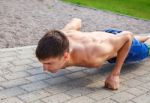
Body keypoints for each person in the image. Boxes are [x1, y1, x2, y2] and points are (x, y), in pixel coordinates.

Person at [35, 18, 150, 90]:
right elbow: (77, 20)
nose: (44, 69)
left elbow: (127, 36)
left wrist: (115, 74)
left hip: (126, 48)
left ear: (65, 56)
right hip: (108, 36)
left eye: (49, 63)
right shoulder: (61, 37)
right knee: (124, 39)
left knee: (145, 47)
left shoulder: (93, 56)